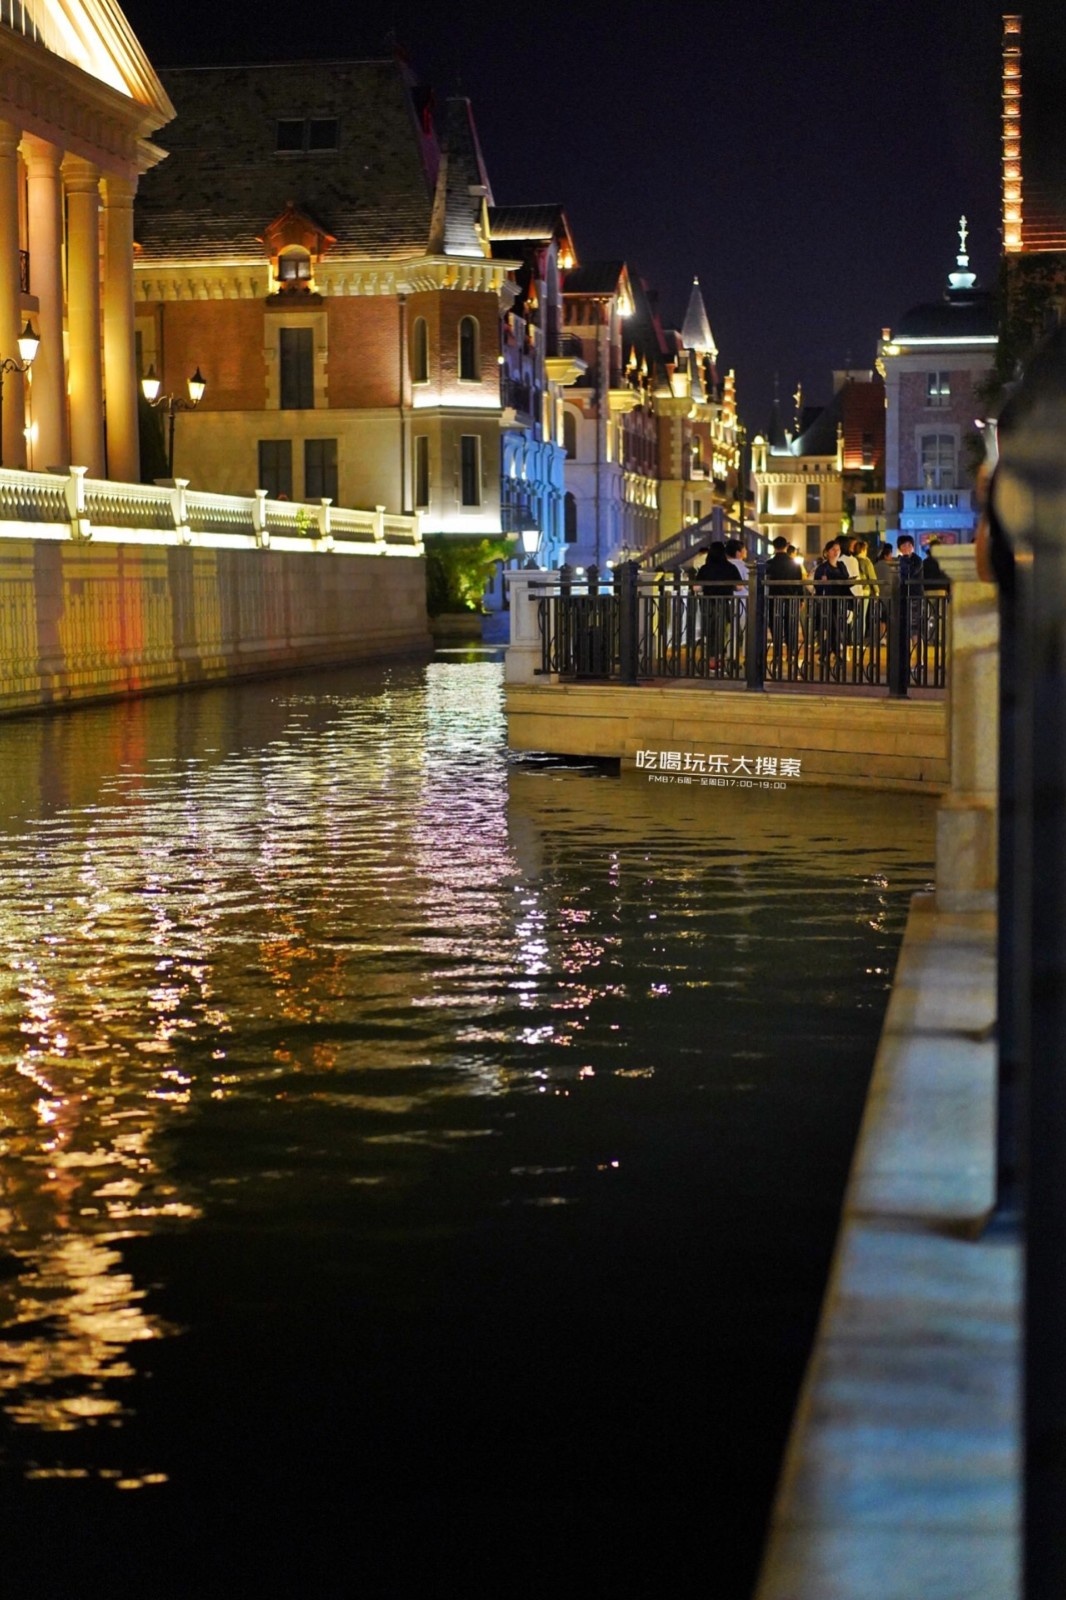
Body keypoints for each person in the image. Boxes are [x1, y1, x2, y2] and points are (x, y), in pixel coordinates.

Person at [697, 541, 744, 669]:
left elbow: (696, 587)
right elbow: (739, 587)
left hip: (708, 603)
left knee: (710, 631)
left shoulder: (705, 568)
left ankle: (712, 659)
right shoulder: (730, 567)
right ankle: (722, 658)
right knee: (724, 631)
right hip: (725, 602)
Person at [765, 535, 804, 663]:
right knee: (790, 625)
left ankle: (777, 654)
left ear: (774, 547)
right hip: (791, 598)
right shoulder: (793, 563)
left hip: (774, 598)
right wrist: (801, 599)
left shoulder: (769, 564)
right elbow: (799, 582)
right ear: (786, 546)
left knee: (775, 625)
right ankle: (790, 653)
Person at [812, 538, 851, 667]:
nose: (836, 552)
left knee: (835, 628)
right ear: (827, 552)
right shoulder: (822, 568)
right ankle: (835, 654)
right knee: (833, 628)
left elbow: (846, 579)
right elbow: (817, 586)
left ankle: (825, 654)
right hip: (827, 601)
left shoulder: (841, 565)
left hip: (840, 600)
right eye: (833, 550)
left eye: (838, 550)